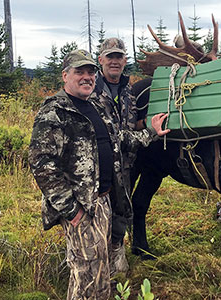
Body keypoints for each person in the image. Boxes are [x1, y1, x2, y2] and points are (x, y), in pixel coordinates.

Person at [29, 49, 169, 300]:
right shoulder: (55, 111)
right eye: (79, 72)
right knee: (86, 275)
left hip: (105, 200)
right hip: (82, 206)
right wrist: (71, 210)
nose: (86, 77)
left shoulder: (96, 107)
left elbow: (121, 140)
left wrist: (151, 132)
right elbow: (41, 164)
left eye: (90, 72)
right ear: (65, 75)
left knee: (102, 272)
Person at [95, 38, 144, 276]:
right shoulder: (90, 88)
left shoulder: (128, 91)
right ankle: (95, 262)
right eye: (110, 57)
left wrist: (150, 124)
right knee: (96, 215)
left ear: (125, 61)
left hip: (124, 166)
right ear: (100, 60)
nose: (114, 61)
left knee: (121, 211)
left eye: (119, 57)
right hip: (97, 168)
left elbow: (130, 126)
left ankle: (117, 253)